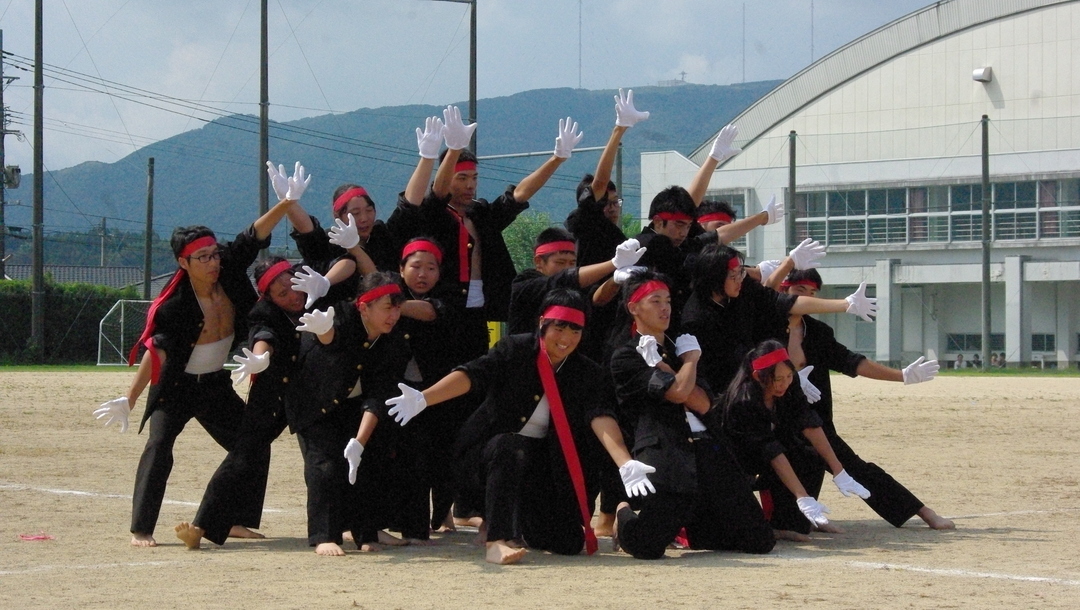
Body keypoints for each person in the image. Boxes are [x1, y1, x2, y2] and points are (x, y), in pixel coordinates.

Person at [93, 164, 309, 547]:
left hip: (213, 385)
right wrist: (129, 398)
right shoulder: (173, 307)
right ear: (183, 263)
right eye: (203, 258)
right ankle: (141, 529)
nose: (213, 263)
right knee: (159, 448)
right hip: (175, 386)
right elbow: (155, 352)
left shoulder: (227, 270)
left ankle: (235, 520)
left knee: (252, 446)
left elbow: (252, 235)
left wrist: (287, 203)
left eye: (214, 255)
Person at [387, 290, 652, 565]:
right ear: (542, 323)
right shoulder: (515, 349)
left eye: (575, 330)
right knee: (510, 447)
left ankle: (518, 522)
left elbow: (600, 416)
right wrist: (424, 398)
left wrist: (625, 463)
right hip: (488, 457)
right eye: (559, 327)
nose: (566, 338)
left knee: (567, 542)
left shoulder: (587, 373)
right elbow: (473, 374)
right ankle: (496, 540)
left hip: (542, 465)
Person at [608, 271, 775, 559]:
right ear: (633, 308)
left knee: (759, 541)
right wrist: (688, 364)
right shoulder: (626, 355)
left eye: (668, 301)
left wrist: (683, 362)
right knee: (647, 547)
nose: (665, 308)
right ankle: (622, 512)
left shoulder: (683, 348)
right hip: (667, 448)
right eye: (655, 301)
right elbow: (678, 394)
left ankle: (695, 520)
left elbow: (702, 403)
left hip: (708, 445)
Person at [778, 268, 954, 530]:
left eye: (813, 293)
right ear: (782, 290)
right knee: (786, 464)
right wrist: (790, 376)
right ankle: (794, 521)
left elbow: (852, 362)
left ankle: (921, 510)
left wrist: (902, 376)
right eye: (799, 291)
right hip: (770, 414)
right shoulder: (761, 325)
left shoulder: (817, 332)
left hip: (813, 417)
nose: (807, 298)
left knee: (852, 466)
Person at [174, 256, 308, 549]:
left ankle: (348, 525)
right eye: (282, 293)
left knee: (322, 457)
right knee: (245, 453)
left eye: (293, 286)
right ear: (268, 296)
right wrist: (260, 357)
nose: (293, 296)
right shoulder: (263, 313)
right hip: (273, 393)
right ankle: (202, 526)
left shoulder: (317, 292)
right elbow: (263, 335)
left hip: (314, 394)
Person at [291, 271, 413, 556]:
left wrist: (360, 441)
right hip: (315, 403)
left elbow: (380, 394)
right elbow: (332, 344)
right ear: (364, 307)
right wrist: (325, 334)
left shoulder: (395, 340)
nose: (393, 315)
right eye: (387, 308)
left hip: (355, 405)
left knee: (369, 460)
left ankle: (366, 532)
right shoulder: (340, 317)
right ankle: (325, 535)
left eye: (397, 307)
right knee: (325, 466)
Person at [721, 339, 871, 540]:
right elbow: (771, 450)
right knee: (749, 531)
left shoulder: (790, 386)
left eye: (789, 376)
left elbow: (808, 422)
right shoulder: (744, 402)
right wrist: (802, 496)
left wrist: (839, 471)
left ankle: (793, 521)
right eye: (778, 379)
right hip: (738, 460)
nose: (784, 383)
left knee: (809, 455)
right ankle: (778, 521)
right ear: (758, 376)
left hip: (771, 452)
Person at [506, 227, 644, 335]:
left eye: (572, 263)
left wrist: (615, 280)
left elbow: (597, 298)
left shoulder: (577, 284)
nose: (567, 267)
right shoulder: (524, 283)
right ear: (538, 261)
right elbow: (563, 280)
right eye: (560, 262)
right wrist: (613, 263)